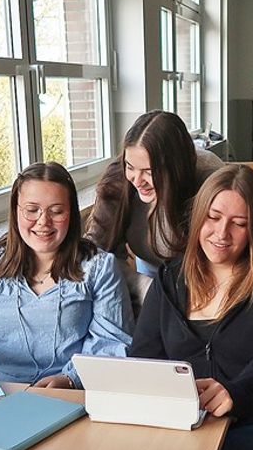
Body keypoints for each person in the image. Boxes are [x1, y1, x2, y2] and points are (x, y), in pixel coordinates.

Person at [131, 164, 253, 450]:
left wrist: (235, 393)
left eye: (238, 224)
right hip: (184, 422)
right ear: (199, 215)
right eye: (213, 218)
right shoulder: (171, 278)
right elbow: (144, 355)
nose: (221, 234)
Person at [0, 162, 133, 387]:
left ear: (71, 213)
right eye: (31, 210)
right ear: (15, 211)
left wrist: (70, 379)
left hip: (69, 391)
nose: (43, 222)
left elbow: (112, 345)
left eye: (57, 211)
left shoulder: (100, 267)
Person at [85, 110, 224, 310]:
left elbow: (226, 263)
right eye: (130, 167)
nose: (137, 180)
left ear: (175, 168)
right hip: (145, 278)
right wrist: (142, 285)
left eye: (149, 172)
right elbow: (96, 253)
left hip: (203, 283)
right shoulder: (118, 181)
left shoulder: (208, 178)